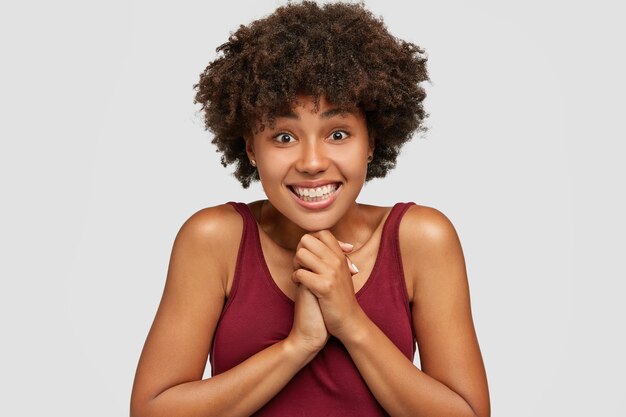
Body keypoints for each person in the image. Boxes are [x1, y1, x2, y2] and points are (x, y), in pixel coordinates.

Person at [130, 2, 490, 416]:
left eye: (338, 133)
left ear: (370, 142)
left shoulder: (421, 238)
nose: (313, 161)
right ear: (251, 148)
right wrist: (298, 345)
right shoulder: (214, 238)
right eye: (284, 137)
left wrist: (351, 323)